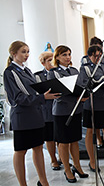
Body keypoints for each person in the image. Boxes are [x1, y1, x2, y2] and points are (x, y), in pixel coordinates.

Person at [4, 41, 59, 186]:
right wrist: (42, 97)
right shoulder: (10, 72)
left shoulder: (27, 71)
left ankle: (43, 181)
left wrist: (49, 92)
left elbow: (35, 90)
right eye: (23, 52)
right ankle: (23, 184)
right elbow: (16, 98)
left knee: (38, 148)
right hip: (23, 117)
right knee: (21, 151)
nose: (26, 55)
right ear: (13, 53)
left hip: (35, 115)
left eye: (28, 51)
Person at [48, 45, 89, 183]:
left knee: (74, 140)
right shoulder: (53, 72)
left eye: (69, 54)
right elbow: (57, 93)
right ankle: (67, 168)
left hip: (76, 109)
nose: (68, 57)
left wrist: (84, 95)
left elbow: (80, 86)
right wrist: (75, 98)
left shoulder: (74, 70)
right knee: (64, 142)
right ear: (58, 57)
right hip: (62, 111)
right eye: (64, 54)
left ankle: (77, 166)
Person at [34, 52, 60, 171]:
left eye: (52, 59)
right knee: (50, 137)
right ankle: (53, 159)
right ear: (43, 63)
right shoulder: (39, 76)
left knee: (60, 136)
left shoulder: (59, 73)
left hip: (59, 109)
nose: (51, 62)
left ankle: (61, 157)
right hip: (47, 110)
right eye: (49, 60)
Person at [84, 36, 104, 149]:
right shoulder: (85, 63)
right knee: (92, 128)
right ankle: (98, 143)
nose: (98, 56)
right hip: (92, 100)